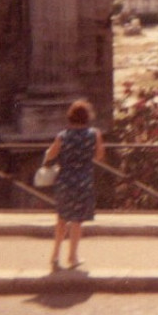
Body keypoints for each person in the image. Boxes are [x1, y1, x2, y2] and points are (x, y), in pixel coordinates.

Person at [44, 99, 106, 271]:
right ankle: (73, 256)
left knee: (61, 219)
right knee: (77, 220)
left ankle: (55, 255)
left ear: (70, 116)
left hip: (64, 180)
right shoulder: (94, 134)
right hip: (83, 180)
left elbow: (50, 155)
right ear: (87, 117)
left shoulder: (62, 135)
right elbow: (99, 156)